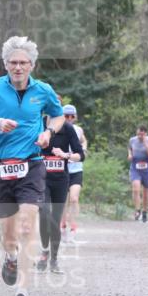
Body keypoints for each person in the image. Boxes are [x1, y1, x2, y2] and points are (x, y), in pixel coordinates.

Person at [0, 36, 64, 296]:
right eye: (13, 62)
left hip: (32, 165)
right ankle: (9, 256)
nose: (18, 67)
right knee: (9, 235)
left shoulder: (43, 90)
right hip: (1, 167)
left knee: (27, 226)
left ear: (32, 65)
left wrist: (48, 132)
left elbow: (57, 115)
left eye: (23, 62)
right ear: (5, 64)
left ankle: (23, 291)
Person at [37, 111, 85, 273]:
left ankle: (54, 259)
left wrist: (66, 155)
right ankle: (44, 252)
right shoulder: (38, 124)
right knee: (44, 212)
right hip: (41, 178)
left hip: (60, 180)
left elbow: (81, 154)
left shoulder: (67, 128)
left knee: (55, 220)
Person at [59, 104, 87, 243]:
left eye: (71, 116)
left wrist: (84, 149)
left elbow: (83, 141)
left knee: (74, 199)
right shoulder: (58, 128)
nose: (69, 118)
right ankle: (63, 226)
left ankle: (73, 227)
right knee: (63, 200)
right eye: (66, 116)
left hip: (76, 169)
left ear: (75, 117)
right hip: (63, 169)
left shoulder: (78, 129)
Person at [128, 125, 148, 223]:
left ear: (146, 134)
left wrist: (145, 143)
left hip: (147, 168)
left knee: (146, 193)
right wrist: (130, 155)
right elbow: (130, 148)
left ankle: (145, 212)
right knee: (136, 188)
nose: (139, 136)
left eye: (142, 135)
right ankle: (137, 210)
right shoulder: (132, 140)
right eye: (138, 134)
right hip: (135, 167)